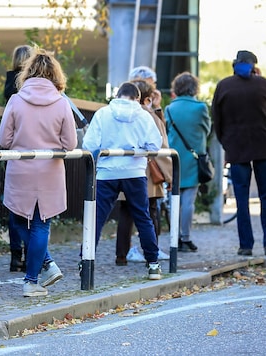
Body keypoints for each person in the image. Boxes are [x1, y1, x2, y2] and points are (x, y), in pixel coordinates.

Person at [0, 48, 77, 297]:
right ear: (56, 75)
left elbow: (3, 139)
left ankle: (44, 268)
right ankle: (33, 279)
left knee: (19, 220)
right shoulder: (62, 103)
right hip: (49, 170)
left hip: (20, 169)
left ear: (27, 72)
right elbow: (70, 143)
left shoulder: (16, 100)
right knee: (42, 224)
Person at [82, 81, 162, 280]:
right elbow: (154, 144)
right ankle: (153, 264)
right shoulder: (144, 115)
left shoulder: (102, 113)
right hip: (134, 172)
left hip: (106, 173)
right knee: (143, 218)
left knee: (97, 218)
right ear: (137, 98)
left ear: (117, 95)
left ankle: (86, 262)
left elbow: (90, 144)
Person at [212, 50, 266, 257]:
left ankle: (246, 245)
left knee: (241, 198)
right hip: (264, 146)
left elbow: (217, 120)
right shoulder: (264, 84)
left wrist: (226, 143)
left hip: (236, 147)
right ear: (254, 66)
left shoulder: (224, 86)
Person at [115, 79, 173, 265]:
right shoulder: (150, 118)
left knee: (125, 213)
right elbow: (162, 148)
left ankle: (121, 255)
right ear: (146, 98)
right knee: (150, 213)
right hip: (147, 172)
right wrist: (170, 176)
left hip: (122, 168)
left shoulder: (116, 114)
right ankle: (152, 255)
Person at [165, 72, 211, 253]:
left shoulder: (169, 108)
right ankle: (186, 237)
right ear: (194, 88)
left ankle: (174, 237)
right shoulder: (200, 108)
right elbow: (206, 130)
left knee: (173, 199)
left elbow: (166, 130)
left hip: (174, 158)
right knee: (189, 200)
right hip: (194, 158)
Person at [3, 44, 33, 272]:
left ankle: (15, 256)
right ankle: (35, 255)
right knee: (38, 211)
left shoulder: (10, 85)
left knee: (15, 207)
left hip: (15, 151)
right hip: (39, 155)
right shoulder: (40, 85)